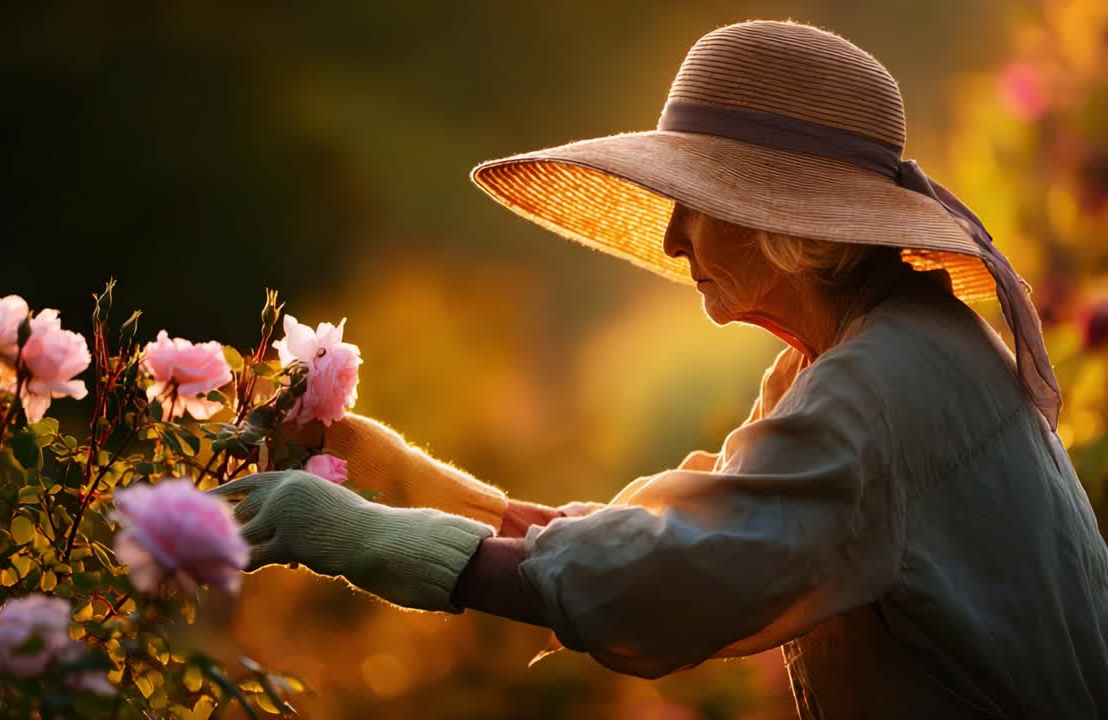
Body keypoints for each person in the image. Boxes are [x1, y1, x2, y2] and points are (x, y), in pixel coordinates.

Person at [215, 20, 1108, 718]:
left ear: (784, 220)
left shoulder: (879, 385)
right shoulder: (867, 354)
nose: (674, 237)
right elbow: (668, 537)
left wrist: (358, 538)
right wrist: (394, 481)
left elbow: (662, 581)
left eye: (696, 203)